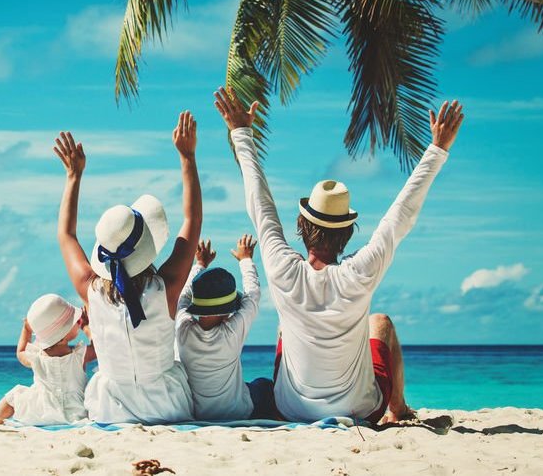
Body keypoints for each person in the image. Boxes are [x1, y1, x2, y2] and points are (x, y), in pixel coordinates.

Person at [213, 86, 464, 424]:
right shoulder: (360, 272)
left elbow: (260, 204)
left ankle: (384, 407)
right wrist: (437, 149)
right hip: (359, 410)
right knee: (381, 323)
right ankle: (398, 409)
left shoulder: (282, 267)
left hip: (290, 409)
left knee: (285, 328)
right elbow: (400, 216)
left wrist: (241, 133)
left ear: (301, 225)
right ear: (347, 232)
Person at [53, 111, 202, 423]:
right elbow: (192, 221)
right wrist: (187, 157)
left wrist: (73, 176)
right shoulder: (167, 288)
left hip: (110, 408)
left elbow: (65, 235)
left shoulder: (89, 290)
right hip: (167, 406)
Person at [176, 236, 277, 421]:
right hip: (238, 411)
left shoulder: (182, 329)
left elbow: (183, 295)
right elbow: (252, 296)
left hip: (198, 413)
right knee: (264, 385)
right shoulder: (231, 333)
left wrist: (200, 264)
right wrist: (246, 259)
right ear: (228, 311)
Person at [0, 294, 95, 428]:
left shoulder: (36, 357)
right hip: (75, 411)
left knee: (14, 395)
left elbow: (20, 353)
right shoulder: (79, 355)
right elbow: (98, 348)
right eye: (77, 322)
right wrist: (87, 327)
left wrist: (26, 330)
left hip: (41, 410)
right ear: (64, 333)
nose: (79, 323)